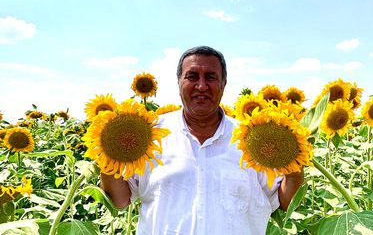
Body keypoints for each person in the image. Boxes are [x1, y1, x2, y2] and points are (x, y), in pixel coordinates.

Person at [100, 46, 304, 234]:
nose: (201, 86)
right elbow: (119, 200)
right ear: (179, 82)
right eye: (192, 76)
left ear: (224, 84)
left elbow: (284, 201)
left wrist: (294, 167)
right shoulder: (148, 135)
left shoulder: (255, 140)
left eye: (211, 77)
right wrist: (108, 154)